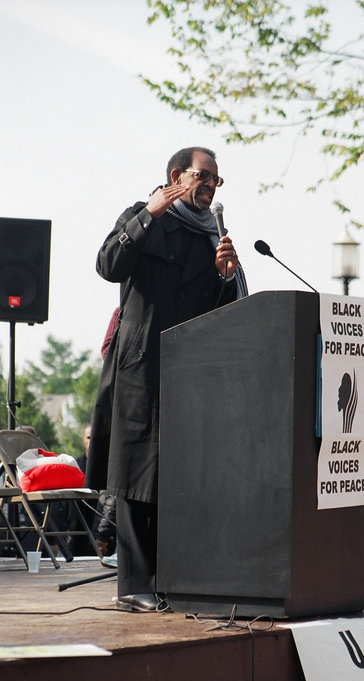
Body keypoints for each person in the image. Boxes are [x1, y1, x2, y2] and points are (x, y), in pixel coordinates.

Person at [86, 146, 247, 612]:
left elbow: (222, 314)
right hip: (139, 366)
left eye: (217, 180)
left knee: (181, 476)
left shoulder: (211, 238)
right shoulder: (143, 217)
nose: (211, 186)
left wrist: (225, 278)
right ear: (177, 175)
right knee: (136, 475)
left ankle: (175, 578)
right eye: (205, 176)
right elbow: (107, 265)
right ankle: (134, 585)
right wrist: (149, 215)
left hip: (188, 373)